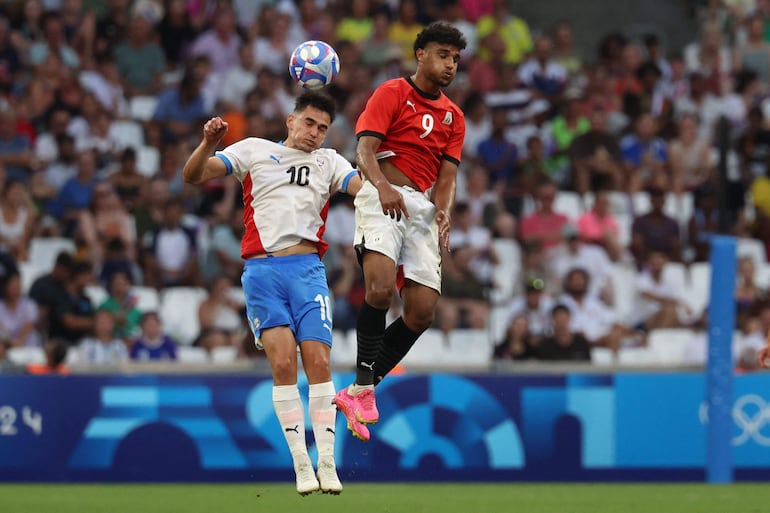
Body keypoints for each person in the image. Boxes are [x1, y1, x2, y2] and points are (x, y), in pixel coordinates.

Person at [181, 90, 362, 495]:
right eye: (309, 123)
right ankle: (301, 462)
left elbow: (362, 187)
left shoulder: (329, 161)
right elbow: (193, 175)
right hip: (262, 272)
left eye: (323, 128)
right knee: (283, 365)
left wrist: (376, 159)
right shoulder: (254, 151)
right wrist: (209, 142)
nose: (315, 133)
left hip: (308, 271)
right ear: (290, 120)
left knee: (318, 359)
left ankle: (327, 461)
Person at [333, 23, 467, 442]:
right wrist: (384, 186)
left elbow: (446, 178)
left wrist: (444, 212)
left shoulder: (454, 116)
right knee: (378, 290)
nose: (450, 65)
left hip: (422, 210)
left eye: (456, 59)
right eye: (444, 55)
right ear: (421, 53)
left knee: (422, 312)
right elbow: (364, 151)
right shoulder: (391, 93)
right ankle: (363, 384)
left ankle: (359, 390)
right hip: (381, 196)